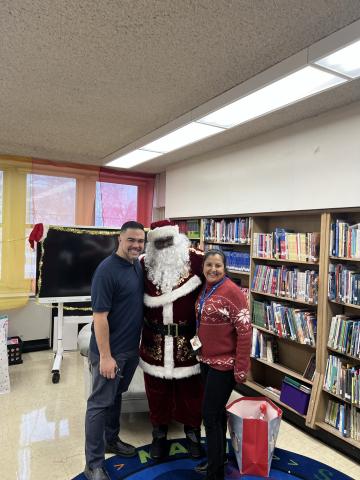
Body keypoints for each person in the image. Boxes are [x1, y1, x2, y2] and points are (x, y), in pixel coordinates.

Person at [84, 221, 146, 480]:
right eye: (131, 240)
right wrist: (106, 357)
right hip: (110, 353)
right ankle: (94, 464)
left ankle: (111, 440)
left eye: (141, 241)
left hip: (130, 351)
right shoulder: (106, 271)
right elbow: (100, 318)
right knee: (99, 404)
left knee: (116, 396)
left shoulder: (137, 267)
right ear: (119, 239)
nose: (136, 245)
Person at [139, 219, 204, 460]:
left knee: (191, 391)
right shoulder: (144, 265)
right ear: (152, 243)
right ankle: (158, 434)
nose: (165, 246)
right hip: (153, 339)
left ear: (178, 238)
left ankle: (193, 433)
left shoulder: (197, 260)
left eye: (169, 240)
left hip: (187, 340)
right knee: (156, 391)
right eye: (160, 242)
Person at [195, 250, 252, 480]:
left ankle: (215, 472)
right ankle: (216, 461)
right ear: (203, 267)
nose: (213, 269)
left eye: (218, 265)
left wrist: (240, 368)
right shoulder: (207, 287)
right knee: (216, 416)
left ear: (225, 268)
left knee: (209, 415)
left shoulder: (233, 292)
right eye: (209, 265)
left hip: (224, 366)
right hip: (206, 362)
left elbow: (245, 331)